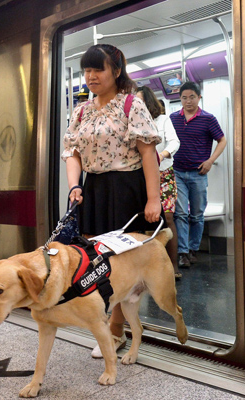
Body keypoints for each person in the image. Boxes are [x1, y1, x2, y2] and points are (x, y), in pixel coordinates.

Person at [62, 44, 161, 359]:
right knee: (96, 262)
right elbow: (73, 153)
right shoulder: (81, 111)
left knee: (120, 264)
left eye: (98, 69)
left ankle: (116, 330)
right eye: (87, 70)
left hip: (125, 189)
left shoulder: (132, 105)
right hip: (93, 189)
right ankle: (104, 322)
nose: (91, 76)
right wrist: (75, 186)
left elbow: (148, 154)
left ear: (116, 71)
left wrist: (153, 198)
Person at [169, 81, 226, 268]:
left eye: (192, 97)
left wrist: (210, 161)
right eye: (184, 97)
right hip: (177, 172)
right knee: (180, 214)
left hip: (198, 173)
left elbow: (222, 140)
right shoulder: (173, 118)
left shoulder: (208, 119)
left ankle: (193, 249)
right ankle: (183, 253)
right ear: (180, 99)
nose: (188, 101)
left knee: (197, 215)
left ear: (199, 97)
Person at [136, 86, 181, 279]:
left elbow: (174, 142)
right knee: (145, 220)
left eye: (140, 101)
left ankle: (172, 265)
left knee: (167, 218)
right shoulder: (133, 122)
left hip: (163, 174)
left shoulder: (163, 120)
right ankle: (147, 266)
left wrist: (162, 154)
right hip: (140, 176)